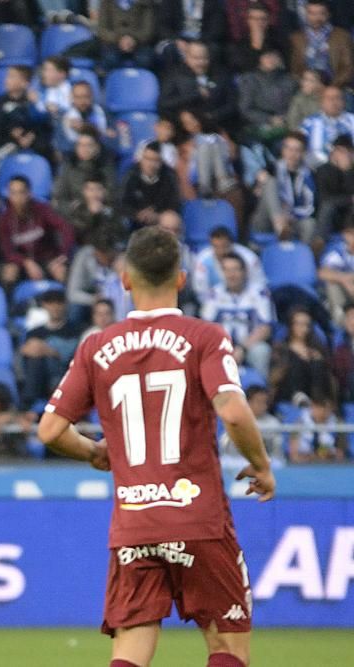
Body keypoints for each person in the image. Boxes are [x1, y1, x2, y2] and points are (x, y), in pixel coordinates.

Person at [38, 225, 275, 667]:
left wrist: (93, 452)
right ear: (181, 279)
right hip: (198, 519)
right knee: (227, 649)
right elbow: (235, 411)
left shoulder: (96, 345)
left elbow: (50, 430)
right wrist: (261, 465)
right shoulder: (205, 337)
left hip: (135, 525)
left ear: (126, 278)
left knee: (130, 651)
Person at [199, 253, 274, 378]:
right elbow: (206, 327)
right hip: (220, 346)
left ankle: (260, 392)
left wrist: (242, 349)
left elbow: (265, 328)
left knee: (261, 351)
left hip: (249, 345)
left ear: (244, 271)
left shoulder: (259, 292)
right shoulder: (214, 294)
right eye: (227, 270)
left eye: (235, 270)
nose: (231, 275)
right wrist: (224, 349)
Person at [0, 175, 74, 285]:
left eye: (21, 192)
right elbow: (8, 252)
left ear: (29, 193)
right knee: (9, 272)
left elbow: (65, 227)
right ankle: (9, 301)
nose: (18, 197)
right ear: (9, 195)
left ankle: (62, 301)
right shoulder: (4, 219)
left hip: (46, 258)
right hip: (22, 262)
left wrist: (63, 253)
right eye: (13, 193)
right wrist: (26, 262)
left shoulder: (42, 209)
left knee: (61, 271)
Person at [251, 131, 317, 243]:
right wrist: (258, 185)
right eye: (288, 149)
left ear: (303, 153)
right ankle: (280, 227)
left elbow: (310, 206)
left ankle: (304, 256)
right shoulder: (271, 168)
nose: (292, 154)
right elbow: (254, 199)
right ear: (283, 150)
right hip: (265, 220)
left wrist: (290, 216)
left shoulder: (308, 174)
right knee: (270, 182)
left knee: (310, 224)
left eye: (297, 150)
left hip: (293, 219)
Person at [158, 41, 237, 130]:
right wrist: (195, 95)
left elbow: (232, 105)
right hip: (182, 130)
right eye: (196, 58)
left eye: (205, 58)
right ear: (187, 58)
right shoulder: (174, 76)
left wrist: (211, 116)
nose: (201, 63)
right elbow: (164, 104)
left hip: (217, 127)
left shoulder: (221, 76)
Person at [269, 307, 334, 405]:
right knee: (296, 362)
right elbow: (273, 377)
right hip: (288, 393)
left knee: (318, 363)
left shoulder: (317, 348)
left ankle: (318, 402)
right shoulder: (281, 348)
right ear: (291, 325)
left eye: (306, 324)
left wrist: (317, 358)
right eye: (299, 324)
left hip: (314, 392)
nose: (303, 328)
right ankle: (299, 397)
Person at [288, 0, 352, 89]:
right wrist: (308, 84)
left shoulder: (342, 36)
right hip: (308, 88)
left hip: (337, 87)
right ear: (306, 15)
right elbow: (295, 69)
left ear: (328, 14)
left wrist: (333, 86)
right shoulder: (297, 38)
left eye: (321, 13)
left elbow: (348, 67)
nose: (316, 18)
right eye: (312, 13)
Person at [237, 49, 297, 145]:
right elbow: (245, 109)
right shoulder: (249, 79)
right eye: (267, 56)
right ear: (260, 58)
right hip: (256, 127)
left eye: (274, 56)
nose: (271, 59)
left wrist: (284, 119)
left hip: (284, 125)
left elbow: (295, 106)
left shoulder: (290, 81)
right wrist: (269, 119)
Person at [119, 140, 180, 230]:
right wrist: (137, 214)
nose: (150, 164)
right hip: (135, 221)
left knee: (171, 219)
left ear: (161, 162)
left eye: (155, 160)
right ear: (141, 159)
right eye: (147, 159)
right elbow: (121, 202)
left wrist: (157, 215)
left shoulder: (169, 176)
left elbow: (174, 203)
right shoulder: (131, 174)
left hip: (160, 220)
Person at [192, 226, 267, 297]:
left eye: (224, 246)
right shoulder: (203, 260)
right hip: (215, 301)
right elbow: (200, 290)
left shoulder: (249, 259)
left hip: (248, 300)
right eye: (216, 247)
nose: (221, 251)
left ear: (232, 244)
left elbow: (259, 285)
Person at [300, 86, 354, 167]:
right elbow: (299, 146)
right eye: (329, 98)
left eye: (337, 98)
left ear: (343, 101)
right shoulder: (309, 123)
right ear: (321, 102)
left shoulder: (352, 120)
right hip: (319, 169)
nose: (334, 102)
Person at [97, 0, 156, 71]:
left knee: (145, 60)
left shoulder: (146, 3)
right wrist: (119, 38)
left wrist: (133, 39)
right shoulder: (107, 2)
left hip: (140, 43)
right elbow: (102, 30)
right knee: (110, 59)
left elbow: (148, 30)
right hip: (113, 43)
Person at [289, 392, 347, 462]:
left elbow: (340, 455)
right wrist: (311, 457)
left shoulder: (338, 424)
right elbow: (294, 456)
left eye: (328, 408)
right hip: (304, 465)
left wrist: (328, 454)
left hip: (328, 465)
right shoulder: (300, 423)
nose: (326, 412)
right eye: (318, 407)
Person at [315, 135, 354, 238]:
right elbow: (324, 199)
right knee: (327, 207)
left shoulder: (351, 171)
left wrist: (347, 171)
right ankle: (320, 242)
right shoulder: (323, 170)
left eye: (346, 152)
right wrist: (349, 199)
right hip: (330, 215)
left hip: (349, 215)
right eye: (339, 151)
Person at [319, 219, 354, 324]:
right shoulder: (338, 250)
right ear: (346, 235)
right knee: (332, 284)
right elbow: (322, 273)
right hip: (344, 295)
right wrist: (344, 280)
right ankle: (340, 322)